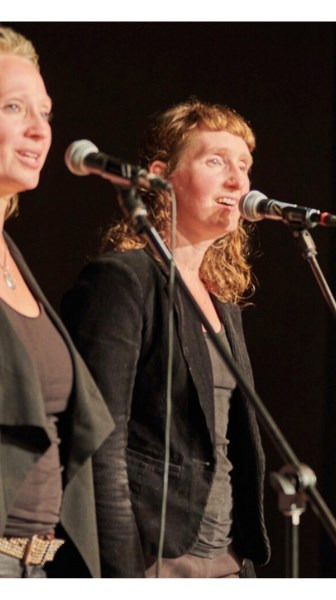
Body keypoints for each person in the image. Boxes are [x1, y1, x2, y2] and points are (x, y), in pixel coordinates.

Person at [62, 99, 270, 577]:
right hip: (154, 559)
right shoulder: (123, 280)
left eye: (244, 166)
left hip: (228, 561)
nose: (237, 180)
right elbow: (99, 443)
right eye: (216, 161)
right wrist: (122, 573)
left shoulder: (224, 308)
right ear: (160, 176)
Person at [0, 25, 113, 578]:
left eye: (44, 112)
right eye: (14, 107)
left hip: (38, 566)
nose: (39, 130)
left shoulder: (15, 258)